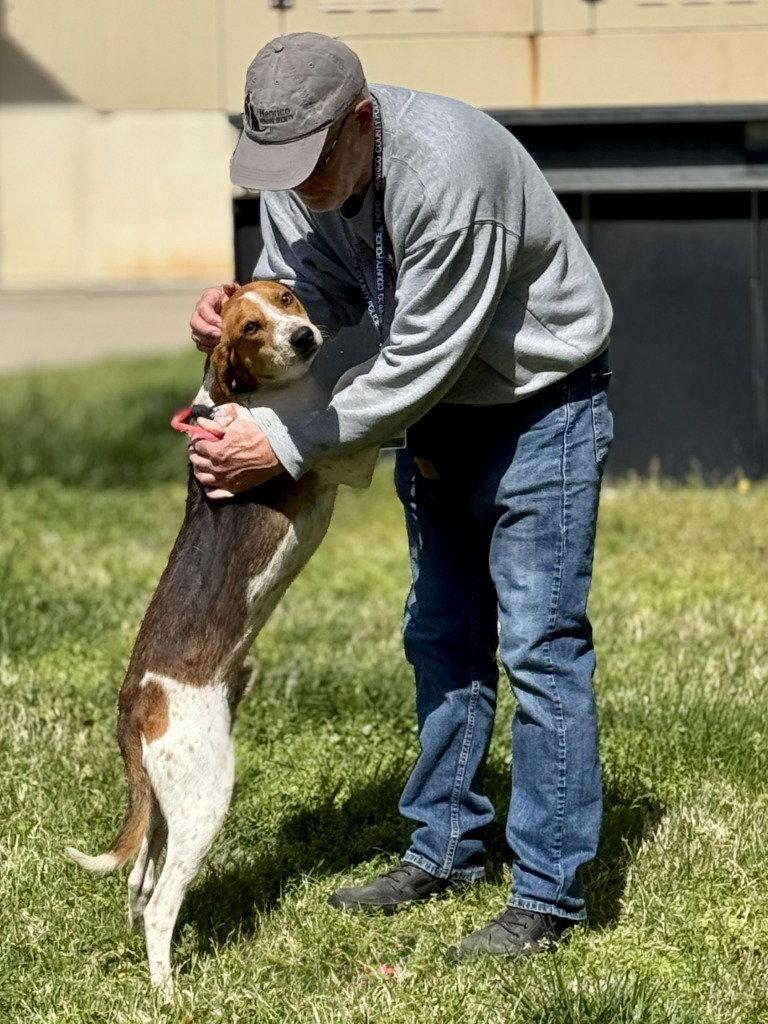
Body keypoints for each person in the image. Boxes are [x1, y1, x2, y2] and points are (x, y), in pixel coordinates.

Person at [189, 31, 614, 959]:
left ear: (361, 122)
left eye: (310, 162)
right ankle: (448, 847)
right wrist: (244, 314)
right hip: (444, 409)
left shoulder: (449, 172)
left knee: (540, 643)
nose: (294, 187)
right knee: (441, 631)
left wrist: (280, 445)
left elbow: (421, 359)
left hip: (540, 401)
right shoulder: (299, 172)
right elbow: (320, 295)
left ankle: (547, 893)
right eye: (277, 167)